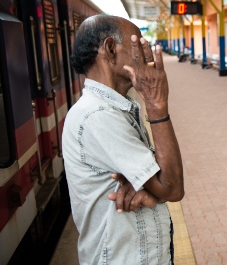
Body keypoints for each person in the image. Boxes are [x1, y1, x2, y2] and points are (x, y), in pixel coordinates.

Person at [62, 14, 184, 264]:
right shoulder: (99, 115)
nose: (147, 56)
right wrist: (157, 106)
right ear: (110, 49)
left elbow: (163, 181)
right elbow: (173, 186)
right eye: (138, 45)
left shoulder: (118, 107)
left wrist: (153, 190)